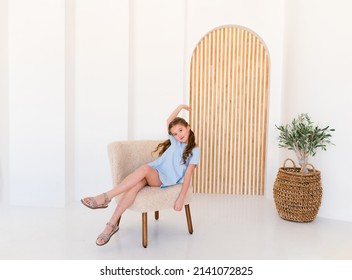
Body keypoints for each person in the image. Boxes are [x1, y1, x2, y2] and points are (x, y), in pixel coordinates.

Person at [81, 104, 200, 246]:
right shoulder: (175, 142)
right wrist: (181, 107)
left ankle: (106, 196)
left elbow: (188, 174)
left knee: (144, 168)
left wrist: (181, 197)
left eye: (181, 130)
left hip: (163, 179)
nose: (179, 135)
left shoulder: (194, 150)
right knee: (135, 186)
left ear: (188, 127)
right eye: (175, 133)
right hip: (155, 172)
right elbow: (169, 121)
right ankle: (110, 226)